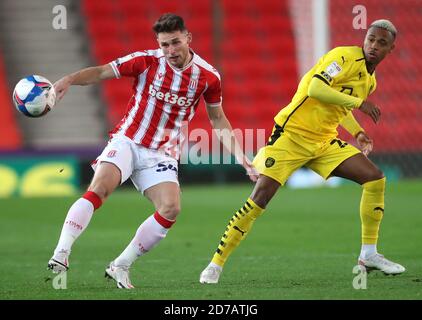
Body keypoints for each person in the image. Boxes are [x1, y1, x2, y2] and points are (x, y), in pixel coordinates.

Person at [47, 13, 258, 289]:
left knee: (171, 208)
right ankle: (62, 252)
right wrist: (69, 79)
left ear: (188, 38)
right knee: (99, 188)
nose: (170, 51)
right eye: (164, 45)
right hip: (128, 141)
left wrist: (242, 159)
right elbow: (101, 72)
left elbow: (218, 119)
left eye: (175, 43)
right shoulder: (146, 62)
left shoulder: (208, 77)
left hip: (162, 154)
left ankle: (120, 266)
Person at [199, 19, 405, 284]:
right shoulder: (343, 56)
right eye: (371, 39)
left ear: (392, 49)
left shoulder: (369, 80)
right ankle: (216, 264)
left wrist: (357, 132)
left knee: (375, 178)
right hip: (291, 137)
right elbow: (316, 88)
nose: (374, 46)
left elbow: (338, 109)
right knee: (258, 200)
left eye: (381, 43)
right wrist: (359, 104)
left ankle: (369, 254)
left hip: (323, 143)